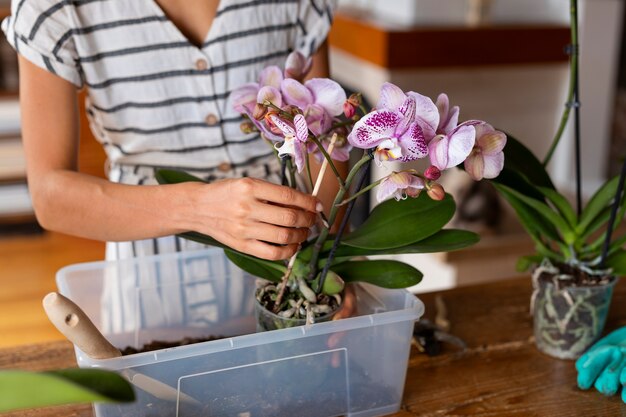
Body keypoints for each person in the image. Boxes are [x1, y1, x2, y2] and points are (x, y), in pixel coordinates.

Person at [2, 0, 345, 331]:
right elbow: (50, 196)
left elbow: (320, 138)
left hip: (291, 251)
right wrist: (201, 209)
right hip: (147, 267)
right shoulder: (54, 7)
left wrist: (329, 265)